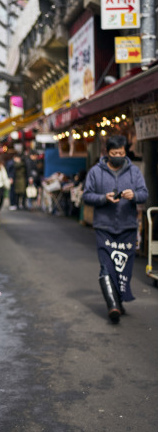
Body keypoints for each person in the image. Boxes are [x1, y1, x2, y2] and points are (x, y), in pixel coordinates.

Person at [83, 135, 148, 323]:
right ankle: (112, 305)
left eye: (121, 153)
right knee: (106, 265)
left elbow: (145, 194)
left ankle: (119, 301)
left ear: (125, 152)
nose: (118, 156)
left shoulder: (134, 172)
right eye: (114, 153)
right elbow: (87, 196)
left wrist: (134, 195)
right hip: (104, 226)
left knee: (123, 268)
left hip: (127, 227)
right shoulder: (96, 172)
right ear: (107, 153)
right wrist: (104, 198)